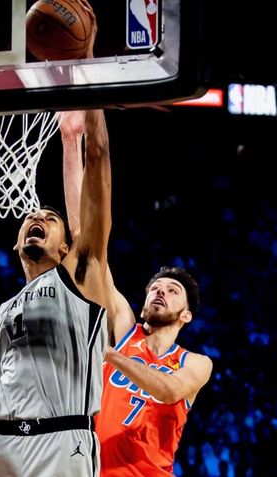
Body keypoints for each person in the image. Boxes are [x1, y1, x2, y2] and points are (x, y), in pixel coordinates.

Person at [0, 9, 111, 473]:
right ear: (15, 245)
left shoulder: (82, 276)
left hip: (60, 444)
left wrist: (86, 63)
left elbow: (98, 155)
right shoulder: (2, 311)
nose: (37, 216)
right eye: (33, 215)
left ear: (67, 248)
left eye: (51, 219)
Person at [59, 111, 213, 476]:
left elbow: (169, 391)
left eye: (172, 291)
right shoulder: (125, 330)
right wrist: (71, 142)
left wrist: (110, 356)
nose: (160, 292)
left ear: (186, 315)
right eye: (155, 288)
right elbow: (87, 241)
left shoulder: (195, 362)